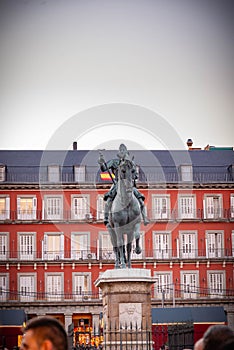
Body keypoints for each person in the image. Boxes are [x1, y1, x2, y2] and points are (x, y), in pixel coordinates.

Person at [98, 144, 149, 226]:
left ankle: (144, 217)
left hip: (129, 184)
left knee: (140, 200)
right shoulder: (114, 162)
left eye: (123, 150)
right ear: (119, 153)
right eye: (121, 150)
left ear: (126, 152)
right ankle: (106, 218)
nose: (122, 152)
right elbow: (104, 168)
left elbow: (135, 174)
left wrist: (134, 176)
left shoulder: (131, 164)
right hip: (117, 184)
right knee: (108, 200)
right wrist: (101, 162)